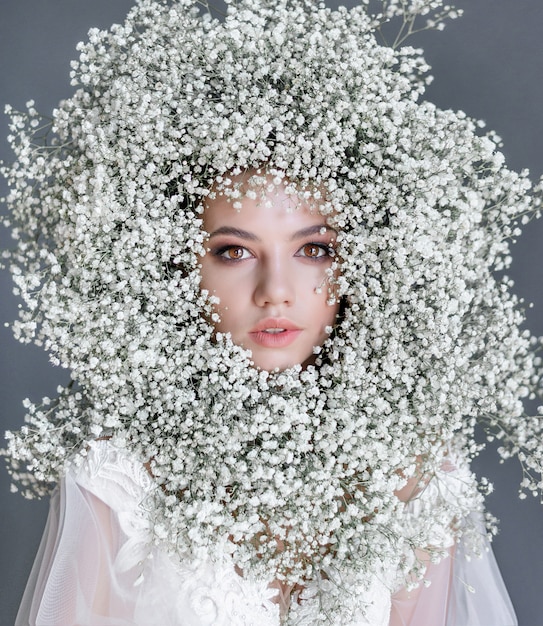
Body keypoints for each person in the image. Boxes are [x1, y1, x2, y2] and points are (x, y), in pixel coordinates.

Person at [3, 0, 541, 624]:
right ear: (172, 265)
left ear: (371, 262)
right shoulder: (115, 472)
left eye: (313, 250)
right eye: (234, 251)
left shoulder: (419, 473)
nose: (275, 291)